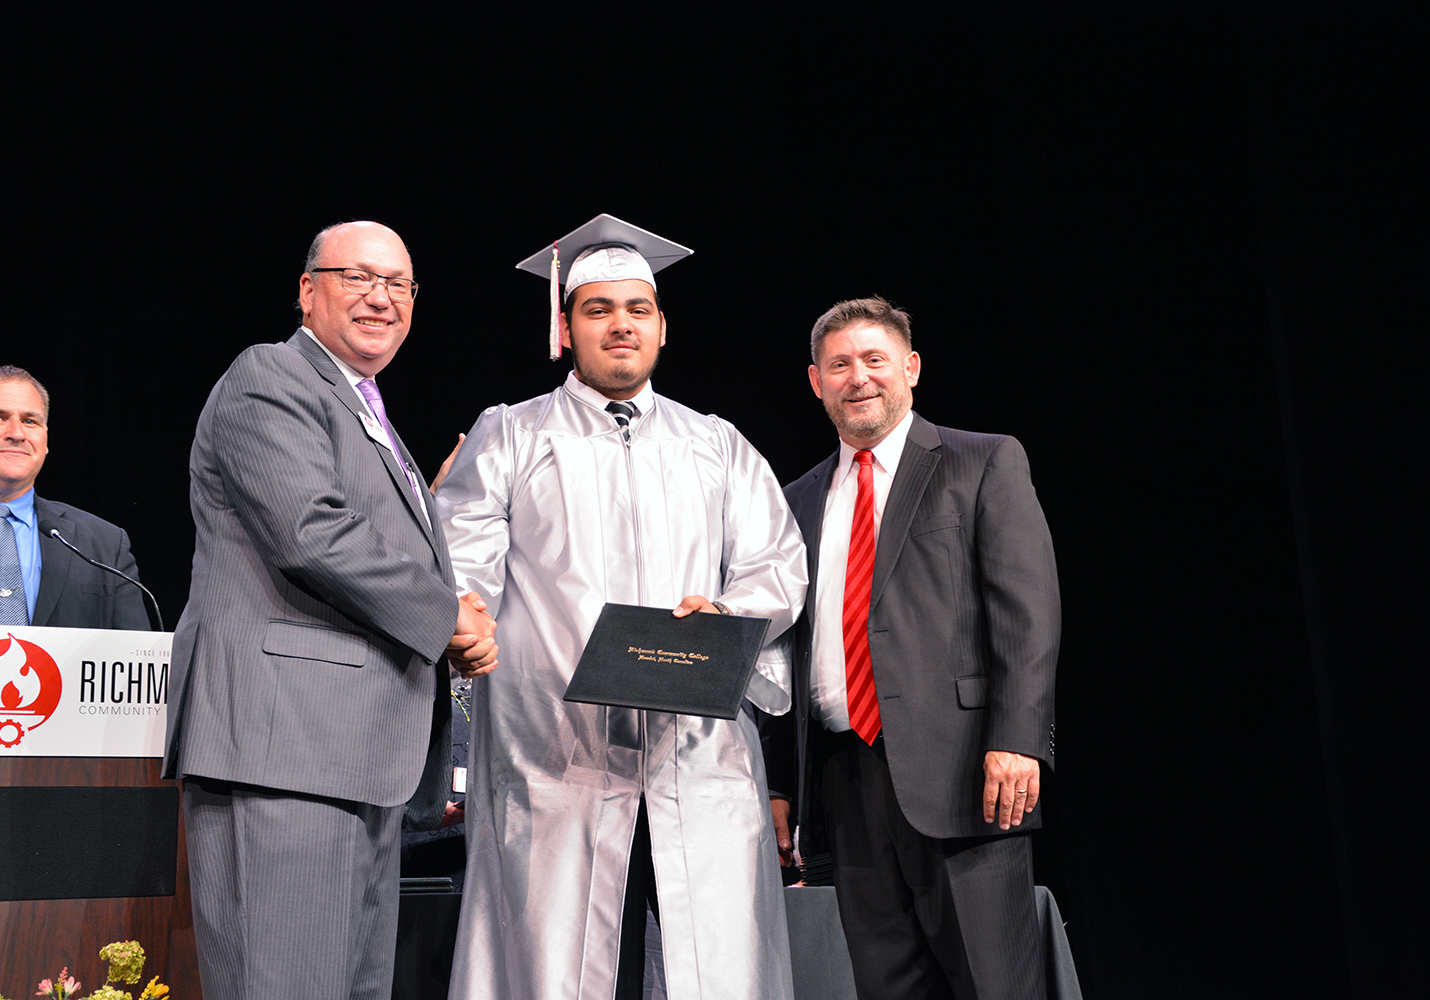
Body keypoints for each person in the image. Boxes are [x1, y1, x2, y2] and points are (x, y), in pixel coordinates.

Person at [436, 214, 807, 1000]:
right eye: (597, 309)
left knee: (713, 967)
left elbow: (778, 566)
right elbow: (463, 558)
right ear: (565, 326)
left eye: (637, 309)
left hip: (696, 756)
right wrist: (465, 621)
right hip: (554, 753)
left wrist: (728, 609)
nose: (620, 326)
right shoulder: (510, 436)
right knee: (550, 965)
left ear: (663, 327)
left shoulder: (717, 444)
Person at [160, 221, 499, 999]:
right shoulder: (271, 376)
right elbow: (311, 533)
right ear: (308, 290)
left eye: (400, 284)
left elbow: (357, 534)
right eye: (358, 276)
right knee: (283, 982)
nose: (381, 297)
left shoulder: (366, 410)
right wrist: (448, 614)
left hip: (355, 754)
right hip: (285, 748)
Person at [762, 297, 1061, 1000]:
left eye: (874, 359)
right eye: (839, 365)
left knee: (997, 986)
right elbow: (781, 646)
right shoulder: (796, 499)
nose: (858, 377)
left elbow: (1028, 612)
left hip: (966, 772)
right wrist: (779, 784)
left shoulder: (980, 461)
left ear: (911, 368)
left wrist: (1018, 737)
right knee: (888, 986)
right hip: (844, 783)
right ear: (816, 381)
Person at [0, 366, 150, 629]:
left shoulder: (103, 543)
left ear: (45, 439)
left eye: (30, 421)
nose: (17, 433)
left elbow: (132, 662)